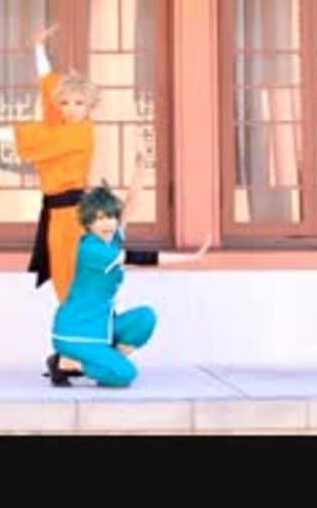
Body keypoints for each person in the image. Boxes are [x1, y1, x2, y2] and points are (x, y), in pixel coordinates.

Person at [45, 146, 210, 388]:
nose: (108, 223)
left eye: (111, 217)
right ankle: (65, 363)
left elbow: (131, 204)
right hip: (76, 333)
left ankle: (106, 362)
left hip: (101, 327)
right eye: (100, 218)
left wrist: (141, 168)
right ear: (88, 223)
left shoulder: (110, 239)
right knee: (125, 375)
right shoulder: (92, 249)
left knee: (144, 318)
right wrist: (191, 258)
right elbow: (141, 258)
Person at [0, 24, 99, 304]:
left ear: (90, 106)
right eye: (66, 103)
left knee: (76, 281)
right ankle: (73, 329)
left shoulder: (79, 134)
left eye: (79, 103)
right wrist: (39, 47)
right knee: (64, 282)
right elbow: (50, 87)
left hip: (73, 215)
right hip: (57, 213)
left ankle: (84, 330)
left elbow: (38, 136)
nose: (71, 109)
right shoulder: (62, 123)